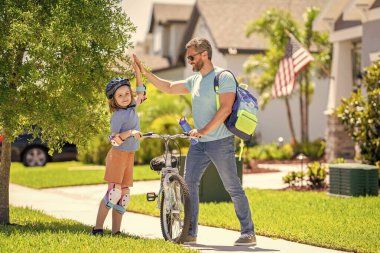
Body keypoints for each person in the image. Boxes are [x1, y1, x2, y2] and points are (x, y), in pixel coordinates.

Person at [133, 38, 256, 246]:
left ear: (204, 54)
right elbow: (170, 87)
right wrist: (145, 73)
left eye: (191, 57)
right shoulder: (196, 80)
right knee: (189, 186)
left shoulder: (223, 77)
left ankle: (248, 233)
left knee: (232, 186)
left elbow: (226, 108)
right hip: (198, 144)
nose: (189, 61)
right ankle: (190, 231)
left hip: (220, 141)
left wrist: (204, 130)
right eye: (188, 57)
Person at [91, 57, 146, 236]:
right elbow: (113, 140)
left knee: (124, 196)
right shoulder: (117, 116)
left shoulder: (132, 108)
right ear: (114, 99)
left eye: (126, 94)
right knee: (114, 193)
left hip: (129, 155)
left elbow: (141, 92)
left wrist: (137, 71)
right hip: (117, 155)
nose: (125, 97)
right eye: (120, 95)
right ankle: (97, 229)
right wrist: (130, 132)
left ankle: (116, 232)